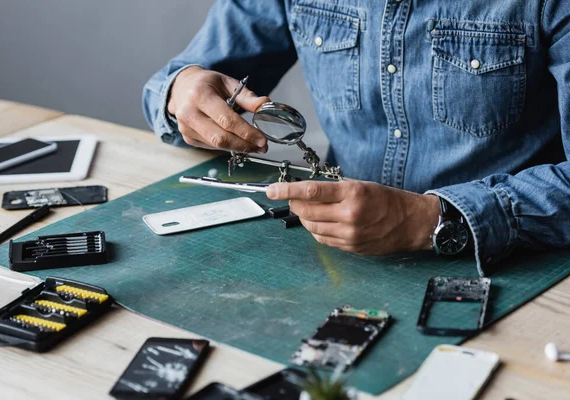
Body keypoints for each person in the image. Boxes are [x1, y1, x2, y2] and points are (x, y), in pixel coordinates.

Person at [143, 1, 570, 276]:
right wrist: (181, 91)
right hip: (335, 254)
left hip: (516, 266)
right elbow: (177, 85)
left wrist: (432, 218)